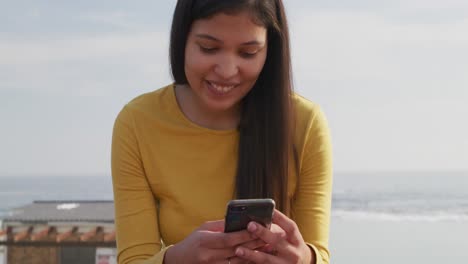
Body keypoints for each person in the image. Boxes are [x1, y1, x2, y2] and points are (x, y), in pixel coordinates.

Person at [111, 0, 333, 263]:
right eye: (208, 48)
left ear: (269, 51)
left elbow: (318, 253)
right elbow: (134, 258)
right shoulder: (138, 123)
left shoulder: (305, 124)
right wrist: (177, 258)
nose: (227, 71)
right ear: (182, 39)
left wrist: (304, 258)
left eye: (248, 53)